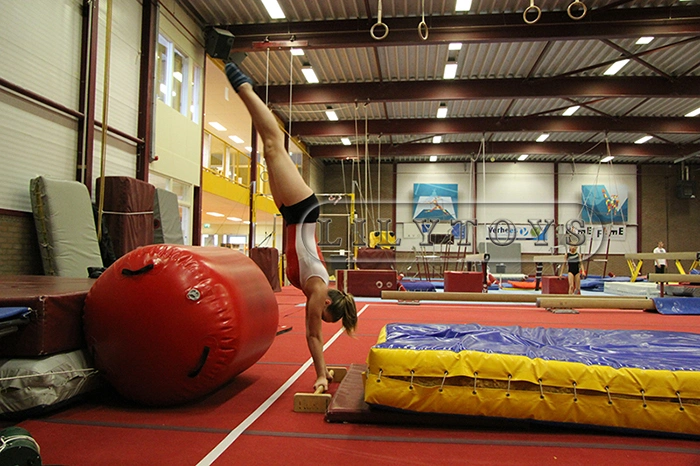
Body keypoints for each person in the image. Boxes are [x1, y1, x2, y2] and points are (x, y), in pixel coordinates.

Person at [225, 61, 358, 392]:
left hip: (291, 214)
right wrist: (320, 374)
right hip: (303, 209)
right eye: (324, 316)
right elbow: (313, 335)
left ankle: (246, 89)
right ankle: (243, 85)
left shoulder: (318, 289)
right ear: (327, 304)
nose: (318, 318)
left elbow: (316, 331)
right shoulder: (318, 290)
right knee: (272, 145)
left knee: (270, 150)